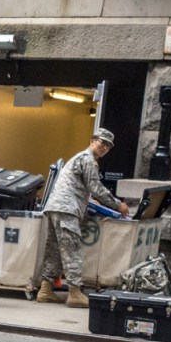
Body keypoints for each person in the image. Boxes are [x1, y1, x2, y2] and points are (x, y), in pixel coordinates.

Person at [38, 128, 131, 308]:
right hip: (67, 209)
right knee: (72, 250)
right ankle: (74, 293)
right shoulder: (88, 159)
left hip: (55, 207)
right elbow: (95, 187)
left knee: (55, 250)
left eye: (108, 146)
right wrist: (117, 204)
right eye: (102, 142)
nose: (105, 147)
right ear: (92, 141)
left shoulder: (80, 158)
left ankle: (45, 290)